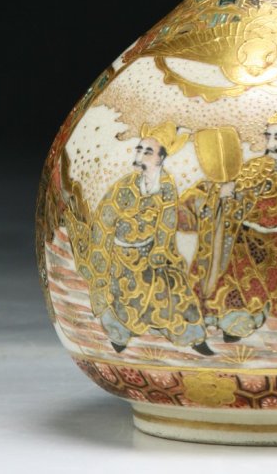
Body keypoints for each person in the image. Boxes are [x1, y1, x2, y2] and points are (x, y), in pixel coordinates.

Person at [64, 121, 213, 355]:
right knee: (119, 298)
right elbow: (104, 224)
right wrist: (102, 262)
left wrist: (161, 251)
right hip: (120, 257)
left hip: (152, 253)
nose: (140, 155)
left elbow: (167, 222)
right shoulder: (124, 187)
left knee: (175, 289)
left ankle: (193, 337)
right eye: (140, 149)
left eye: (148, 151)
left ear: (161, 158)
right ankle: (119, 338)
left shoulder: (166, 186)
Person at [188, 109, 277, 340]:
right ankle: (237, 322)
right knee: (237, 271)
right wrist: (223, 194)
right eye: (269, 137)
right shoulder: (255, 169)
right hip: (251, 240)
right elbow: (229, 197)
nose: (271, 144)